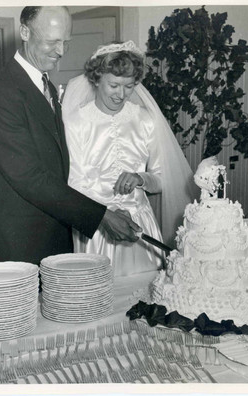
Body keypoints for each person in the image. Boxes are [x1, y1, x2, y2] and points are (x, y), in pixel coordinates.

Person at [0, 7, 141, 265]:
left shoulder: (46, 86)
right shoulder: (0, 94)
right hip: (23, 243)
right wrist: (101, 216)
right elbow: (30, 178)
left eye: (66, 42)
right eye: (52, 41)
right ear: (24, 32)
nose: (61, 51)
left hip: (55, 232)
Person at [62, 41, 197, 276]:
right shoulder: (76, 121)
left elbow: (163, 178)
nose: (121, 95)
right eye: (114, 85)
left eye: (129, 86)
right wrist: (109, 212)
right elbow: (74, 182)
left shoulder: (146, 120)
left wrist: (141, 178)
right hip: (97, 225)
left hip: (140, 225)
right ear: (96, 78)